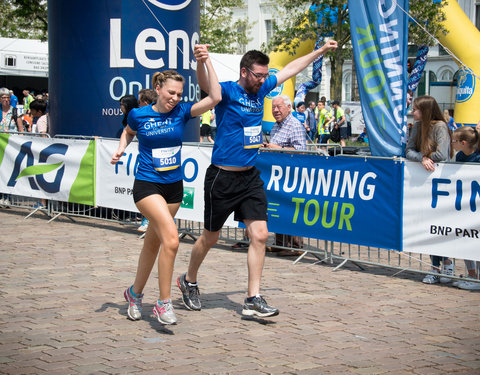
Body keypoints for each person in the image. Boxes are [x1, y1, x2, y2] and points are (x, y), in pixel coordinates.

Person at [177, 40, 338, 318]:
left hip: (250, 178)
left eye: (265, 76)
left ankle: (253, 297)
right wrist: (202, 60)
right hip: (222, 178)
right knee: (210, 238)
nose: (264, 80)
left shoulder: (261, 89)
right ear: (244, 72)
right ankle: (189, 279)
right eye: (259, 75)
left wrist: (320, 52)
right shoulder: (227, 90)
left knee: (260, 235)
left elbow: (290, 69)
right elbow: (207, 86)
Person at [110, 44, 221, 325]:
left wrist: (206, 61)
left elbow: (216, 96)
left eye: (179, 94)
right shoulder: (139, 113)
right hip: (147, 186)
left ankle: (134, 293)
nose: (175, 98)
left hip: (174, 187)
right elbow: (128, 131)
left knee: (153, 244)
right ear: (157, 88)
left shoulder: (182, 112)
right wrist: (121, 148)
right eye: (171, 92)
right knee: (171, 240)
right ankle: (163, 303)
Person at [405, 95, 454, 284]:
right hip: (424, 182)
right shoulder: (417, 126)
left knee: (442, 225)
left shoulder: (440, 127)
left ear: (424, 110)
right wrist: (422, 158)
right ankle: (435, 266)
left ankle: (447, 263)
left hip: (442, 182)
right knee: (431, 226)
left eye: (416, 109)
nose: (412, 112)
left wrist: (426, 156)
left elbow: (442, 153)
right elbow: (408, 150)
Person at [265, 95, 306, 256]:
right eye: (273, 107)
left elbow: (302, 150)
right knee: (278, 208)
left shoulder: (295, 124)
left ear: (289, 108)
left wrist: (279, 147)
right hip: (278, 175)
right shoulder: (276, 125)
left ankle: (295, 246)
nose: (275, 110)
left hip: (292, 175)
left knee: (291, 209)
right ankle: (280, 243)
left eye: (279, 107)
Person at [451, 126, 480, 290]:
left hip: (476, 204)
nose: (452, 144)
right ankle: (471, 274)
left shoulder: (477, 157)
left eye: (454, 141)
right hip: (465, 205)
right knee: (466, 239)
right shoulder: (460, 156)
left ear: (463, 142)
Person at [136, 89, 158, 233]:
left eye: (139, 102)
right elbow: (128, 131)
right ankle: (147, 220)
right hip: (146, 170)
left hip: (164, 170)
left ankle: (154, 221)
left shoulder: (166, 115)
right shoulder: (138, 116)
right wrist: (121, 147)